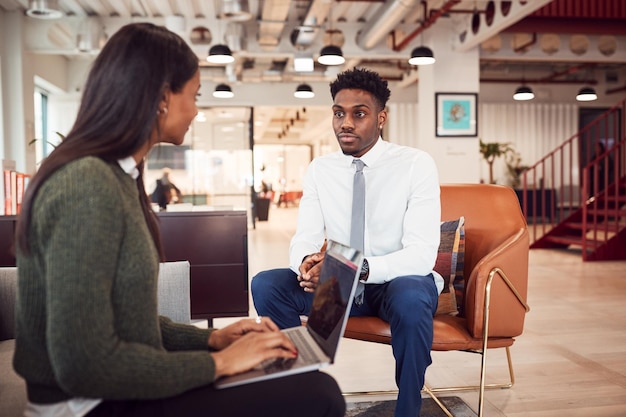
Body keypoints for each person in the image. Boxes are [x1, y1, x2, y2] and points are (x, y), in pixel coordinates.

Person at [13, 23, 345, 417]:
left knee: (303, 383)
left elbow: (122, 321)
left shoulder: (116, 176)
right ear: (161, 99)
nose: (197, 109)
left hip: (112, 390)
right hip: (88, 404)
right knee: (317, 395)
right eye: (194, 95)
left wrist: (212, 340)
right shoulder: (87, 184)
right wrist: (219, 363)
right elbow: (86, 365)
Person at [251, 67, 442, 417]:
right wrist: (307, 263)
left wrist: (361, 268)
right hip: (338, 287)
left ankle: (409, 407)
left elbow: (420, 256)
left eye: (359, 114)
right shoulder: (321, 169)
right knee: (266, 284)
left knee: (413, 295)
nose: (346, 123)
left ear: (381, 118)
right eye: (339, 113)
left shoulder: (415, 165)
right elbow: (305, 236)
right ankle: (305, 390)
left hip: (394, 284)